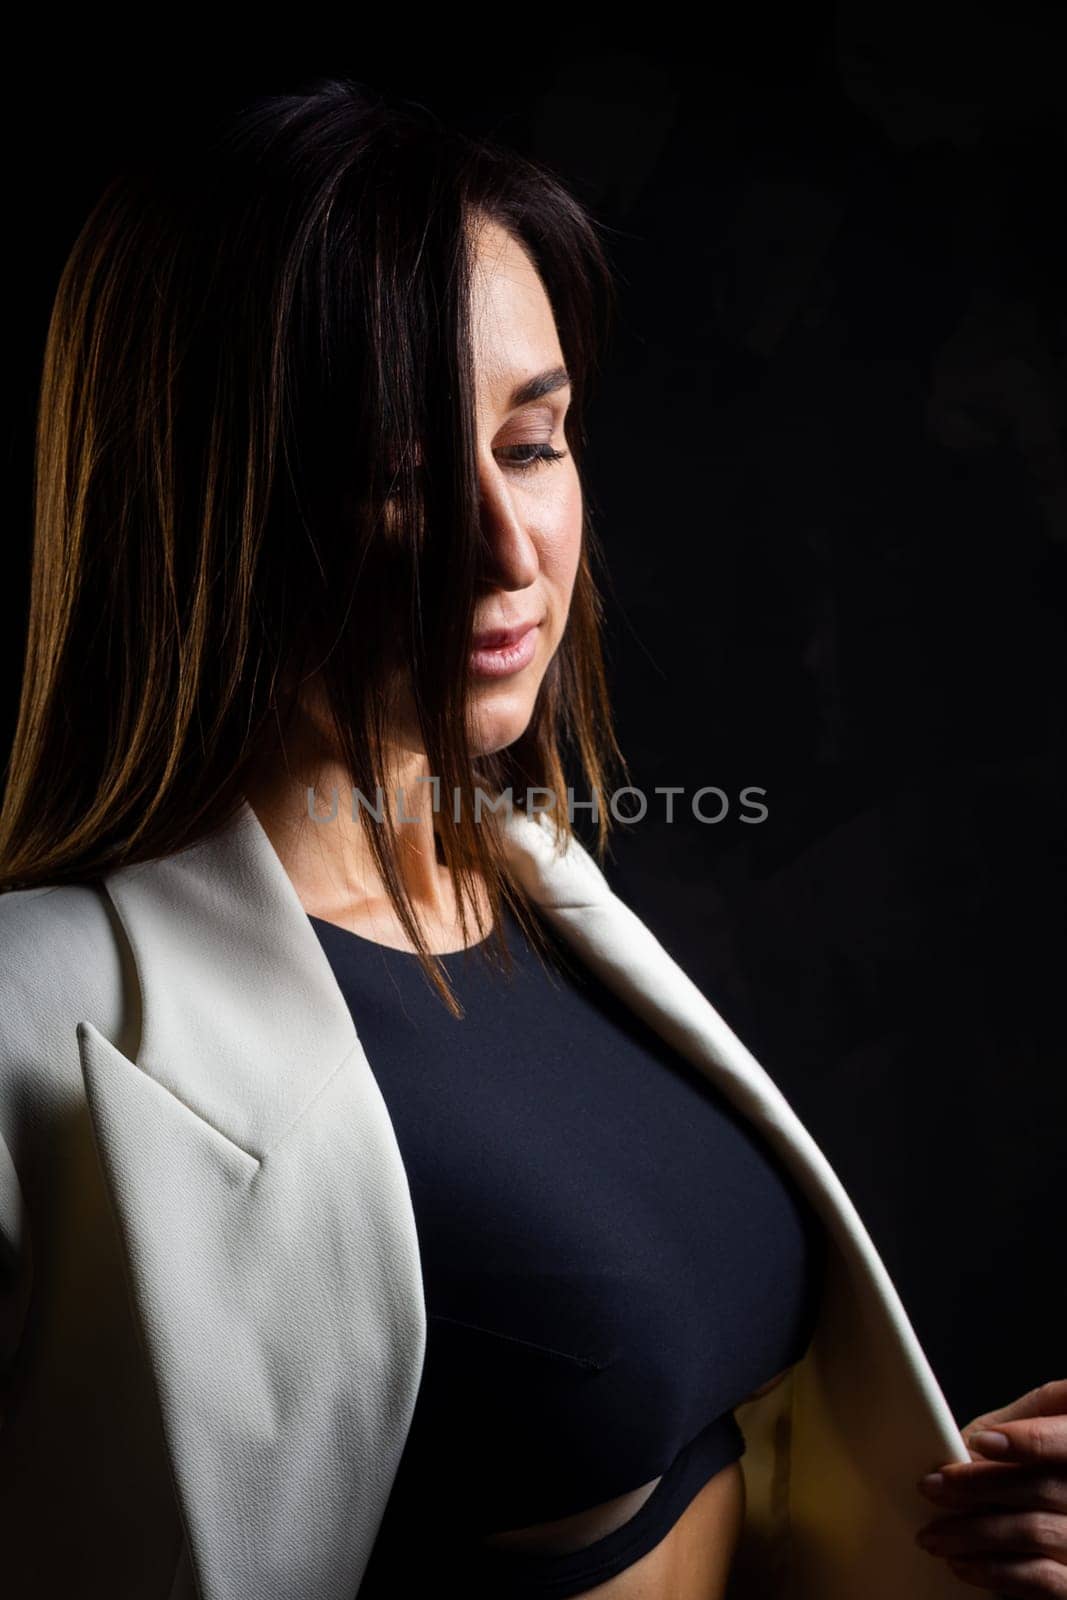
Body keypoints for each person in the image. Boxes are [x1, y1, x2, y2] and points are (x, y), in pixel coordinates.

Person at [0, 76, 1063, 1600]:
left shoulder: (538, 886)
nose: (508, 553)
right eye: (396, 476)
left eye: (533, 442)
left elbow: (700, 1451)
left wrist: (968, 1523)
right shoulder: (35, 1020)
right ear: (202, 505)